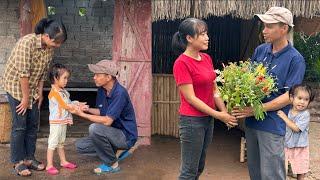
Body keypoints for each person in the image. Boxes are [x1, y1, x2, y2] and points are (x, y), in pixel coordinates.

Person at [232, 7, 306, 180]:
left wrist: (256, 109)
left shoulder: (295, 59)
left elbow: (290, 96)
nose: (264, 31)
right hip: (252, 124)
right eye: (263, 26)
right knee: (255, 173)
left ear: (284, 28)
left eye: (269, 26)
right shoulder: (261, 51)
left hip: (273, 125)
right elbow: (248, 80)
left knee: (272, 175)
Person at [171, 18, 238, 180]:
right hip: (192, 121)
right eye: (202, 34)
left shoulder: (206, 58)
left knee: (199, 165)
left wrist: (224, 112)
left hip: (208, 120)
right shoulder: (181, 63)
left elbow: (214, 89)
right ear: (189, 38)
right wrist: (219, 115)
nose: (207, 37)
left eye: (206, 33)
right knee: (189, 171)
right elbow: (191, 98)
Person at [2, 18, 67, 176]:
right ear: (46, 36)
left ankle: (29, 158)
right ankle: (18, 162)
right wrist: (25, 99)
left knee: (32, 125)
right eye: (56, 42)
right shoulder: (26, 43)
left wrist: (40, 93)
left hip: (31, 88)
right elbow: (23, 75)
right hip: (16, 87)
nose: (57, 46)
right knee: (20, 125)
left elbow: (42, 73)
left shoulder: (48, 49)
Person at [73, 60, 138, 174]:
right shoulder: (102, 89)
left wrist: (82, 115)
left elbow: (107, 121)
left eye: (97, 75)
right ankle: (115, 151)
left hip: (125, 136)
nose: (94, 77)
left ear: (108, 77)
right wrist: (86, 109)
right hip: (112, 133)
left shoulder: (120, 93)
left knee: (94, 128)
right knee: (80, 147)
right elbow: (101, 111)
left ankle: (112, 164)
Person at [46, 63, 88, 175]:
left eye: (67, 78)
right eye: (64, 78)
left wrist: (78, 103)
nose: (66, 81)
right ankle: (49, 165)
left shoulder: (63, 91)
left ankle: (63, 161)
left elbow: (69, 102)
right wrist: (78, 108)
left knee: (61, 143)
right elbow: (65, 105)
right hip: (56, 123)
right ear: (55, 78)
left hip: (62, 122)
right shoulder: (55, 93)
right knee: (52, 143)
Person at [277, 84, 314, 180]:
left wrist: (284, 117)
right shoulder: (288, 111)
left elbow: (296, 128)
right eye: (300, 98)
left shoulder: (305, 114)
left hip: (300, 147)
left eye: (306, 99)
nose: (302, 102)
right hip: (287, 144)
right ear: (292, 98)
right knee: (281, 166)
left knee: (300, 169)